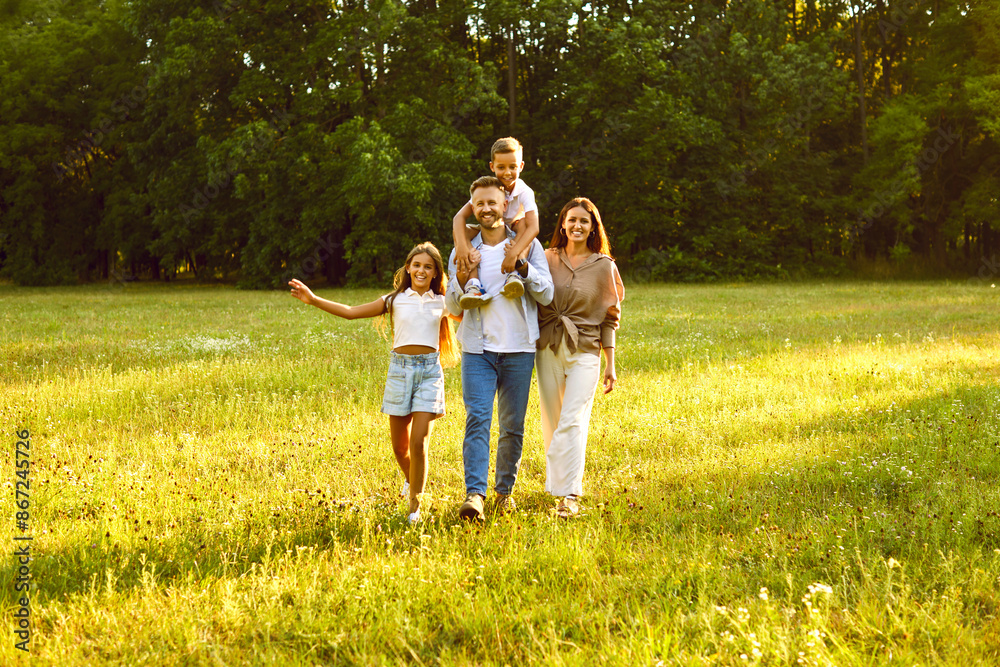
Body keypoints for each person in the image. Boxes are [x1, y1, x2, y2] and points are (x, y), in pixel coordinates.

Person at [288, 243, 459, 524]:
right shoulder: (394, 300)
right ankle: (411, 480)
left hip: (429, 373)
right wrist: (314, 299)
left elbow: (469, 312)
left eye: (428, 267)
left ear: (436, 272)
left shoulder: (442, 302)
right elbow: (351, 311)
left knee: (419, 444)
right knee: (399, 448)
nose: (421, 270)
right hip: (399, 373)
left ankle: (415, 505)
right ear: (408, 268)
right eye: (417, 265)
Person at [446, 176, 554, 520]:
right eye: (480, 204)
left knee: (512, 425)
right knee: (477, 419)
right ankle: (474, 495)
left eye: (493, 202)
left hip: (519, 350)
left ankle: (504, 492)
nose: (487, 209)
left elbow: (547, 294)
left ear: (505, 205)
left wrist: (521, 265)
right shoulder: (462, 250)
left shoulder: (527, 245)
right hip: (478, 351)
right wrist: (463, 279)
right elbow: (452, 305)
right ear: (473, 209)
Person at [535, 198, 624, 519]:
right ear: (562, 224)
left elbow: (610, 318)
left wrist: (610, 363)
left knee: (573, 421)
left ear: (592, 227)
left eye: (584, 221)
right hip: (547, 348)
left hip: (586, 350)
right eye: (571, 220)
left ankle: (568, 495)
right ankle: (562, 488)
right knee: (553, 421)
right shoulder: (545, 258)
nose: (577, 226)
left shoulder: (604, 266)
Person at [452, 137, 540, 308]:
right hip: (491, 226)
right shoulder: (489, 188)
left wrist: (513, 253)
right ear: (492, 167)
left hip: (513, 227)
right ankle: (474, 284)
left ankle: (514, 275)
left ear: (521, 166)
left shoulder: (524, 191)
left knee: (522, 224)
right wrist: (462, 246)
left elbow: (534, 226)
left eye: (513, 167)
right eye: (501, 167)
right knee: (464, 231)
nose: (507, 172)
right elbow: (458, 218)